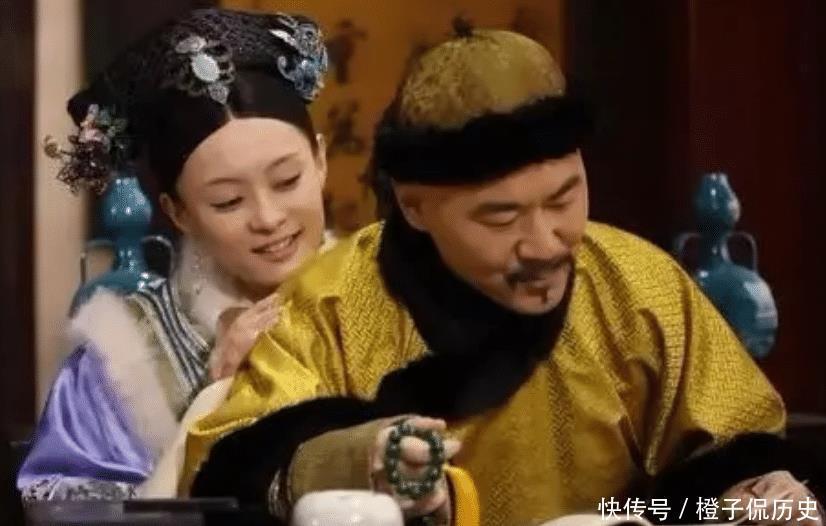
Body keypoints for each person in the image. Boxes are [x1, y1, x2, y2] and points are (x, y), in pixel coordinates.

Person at [182, 23, 824, 526]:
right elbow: (227, 472)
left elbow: (715, 475)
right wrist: (352, 461)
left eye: (564, 198)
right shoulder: (332, 306)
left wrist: (749, 499)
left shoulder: (640, 288)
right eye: (501, 216)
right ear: (415, 207)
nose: (545, 243)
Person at [18, 8, 332, 502]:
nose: (269, 218)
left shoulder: (392, 294)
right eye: (228, 201)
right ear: (177, 212)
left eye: (287, 180)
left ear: (321, 160)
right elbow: (63, 506)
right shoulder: (121, 354)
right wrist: (216, 399)